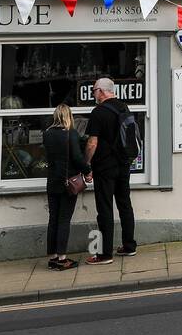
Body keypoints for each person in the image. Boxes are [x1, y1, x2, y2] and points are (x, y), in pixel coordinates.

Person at [83, 76, 137, 264]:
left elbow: (92, 142)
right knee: (125, 204)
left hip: (105, 167)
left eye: (94, 90)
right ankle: (129, 246)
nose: (93, 94)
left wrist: (86, 164)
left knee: (105, 208)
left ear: (102, 91)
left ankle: (105, 254)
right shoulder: (124, 107)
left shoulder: (98, 112)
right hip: (123, 165)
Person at [43, 103, 88, 270]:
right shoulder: (71, 134)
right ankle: (62, 258)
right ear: (68, 116)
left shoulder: (47, 134)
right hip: (68, 183)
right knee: (64, 220)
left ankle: (52, 257)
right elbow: (77, 157)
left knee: (53, 219)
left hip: (52, 182)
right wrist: (88, 170)